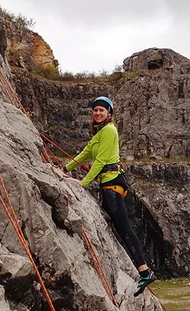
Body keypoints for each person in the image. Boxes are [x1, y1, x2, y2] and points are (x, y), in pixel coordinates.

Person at [64, 96, 156, 297]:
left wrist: (82, 182)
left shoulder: (109, 130)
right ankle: (143, 270)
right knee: (121, 228)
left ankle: (145, 272)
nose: (97, 113)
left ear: (109, 114)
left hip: (112, 185)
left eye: (102, 111)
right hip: (110, 185)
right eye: (95, 110)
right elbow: (84, 154)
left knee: (125, 230)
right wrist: (63, 168)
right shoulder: (98, 133)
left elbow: (100, 162)